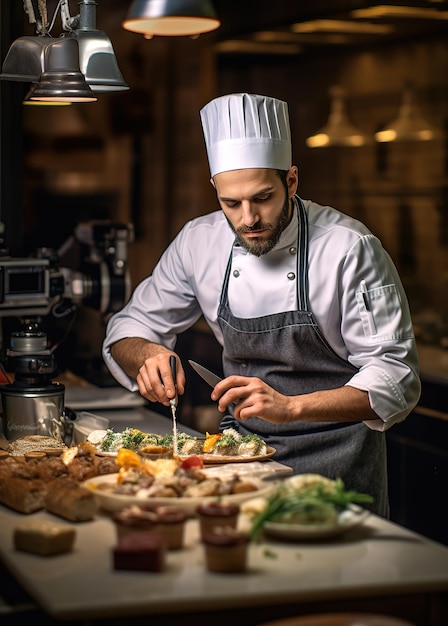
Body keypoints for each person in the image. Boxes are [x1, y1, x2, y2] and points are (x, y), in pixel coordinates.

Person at [102, 93, 421, 516]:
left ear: (291, 181)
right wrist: (148, 354)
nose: (248, 218)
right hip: (240, 465)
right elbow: (127, 328)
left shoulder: (349, 249)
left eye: (263, 197)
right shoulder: (199, 242)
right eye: (230, 203)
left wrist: (291, 407)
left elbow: (397, 378)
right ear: (215, 189)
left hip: (337, 474)